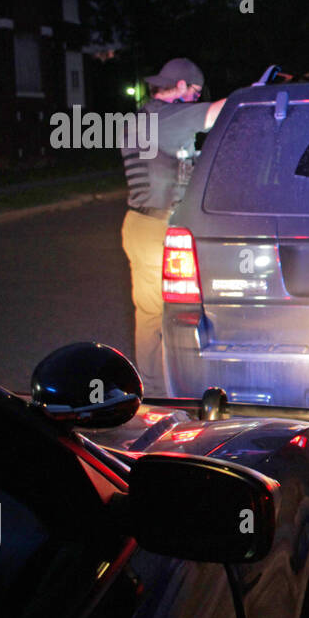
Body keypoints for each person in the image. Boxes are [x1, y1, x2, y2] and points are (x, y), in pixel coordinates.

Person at [121, 57, 225, 396]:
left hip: (144, 223)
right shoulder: (163, 118)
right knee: (163, 315)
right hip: (154, 227)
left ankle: (159, 389)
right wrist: (251, 95)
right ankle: (158, 394)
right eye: (194, 92)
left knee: (153, 314)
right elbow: (214, 114)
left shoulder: (150, 117)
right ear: (179, 86)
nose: (195, 99)